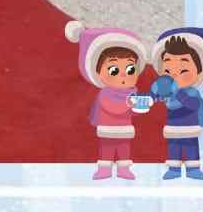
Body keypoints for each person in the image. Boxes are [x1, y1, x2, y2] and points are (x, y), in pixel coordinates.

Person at [64, 20, 149, 180]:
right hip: (108, 128)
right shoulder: (106, 94)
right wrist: (130, 104)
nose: (123, 75)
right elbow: (113, 108)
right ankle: (105, 169)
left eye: (130, 69)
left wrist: (140, 106)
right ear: (97, 73)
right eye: (114, 70)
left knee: (124, 149)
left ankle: (124, 169)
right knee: (107, 149)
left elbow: (132, 112)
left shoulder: (131, 93)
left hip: (125, 128)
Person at [150, 23, 203, 180]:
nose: (174, 75)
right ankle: (174, 169)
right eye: (167, 70)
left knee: (191, 148)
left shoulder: (191, 92)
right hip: (173, 126)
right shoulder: (167, 89)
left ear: (200, 72)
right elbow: (158, 97)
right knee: (173, 148)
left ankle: (193, 168)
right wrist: (152, 97)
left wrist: (179, 94)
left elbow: (194, 105)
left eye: (183, 70)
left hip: (190, 126)